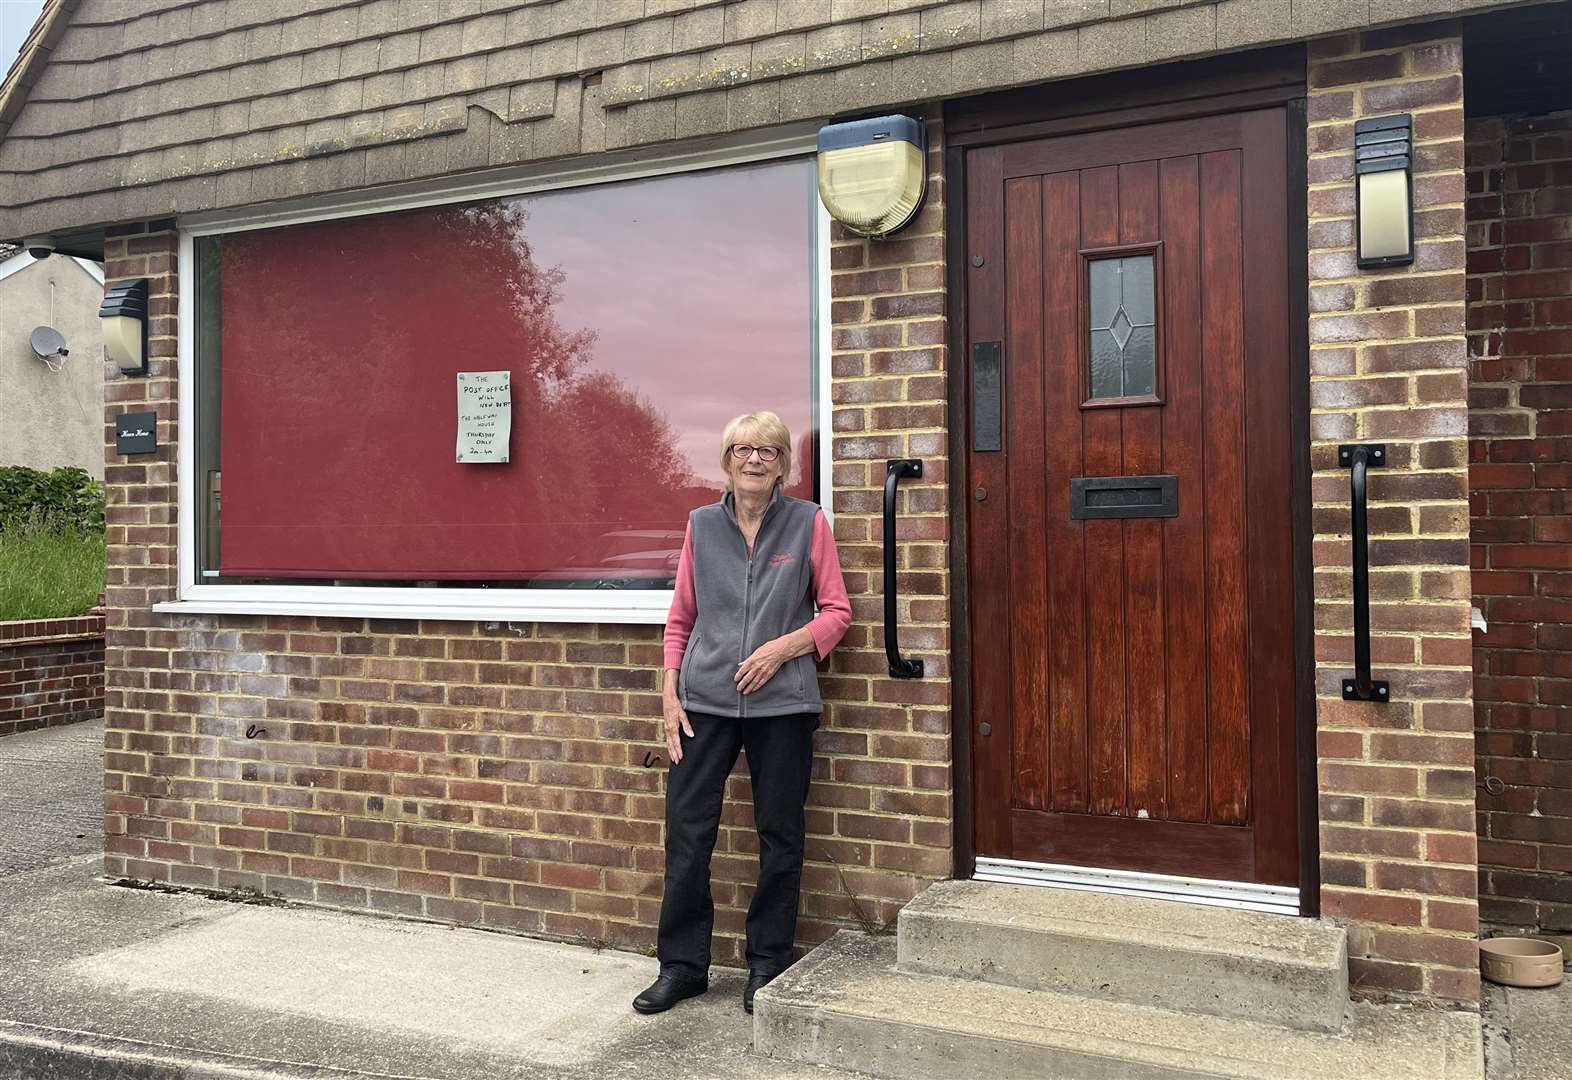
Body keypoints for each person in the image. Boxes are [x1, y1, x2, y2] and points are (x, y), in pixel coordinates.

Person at [632, 411, 851, 1016]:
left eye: (769, 451)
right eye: (743, 449)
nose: (755, 460)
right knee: (688, 833)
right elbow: (681, 619)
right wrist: (670, 694)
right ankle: (682, 966)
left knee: (780, 836)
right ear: (727, 460)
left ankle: (767, 963)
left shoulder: (808, 523)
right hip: (703, 702)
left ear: (784, 465)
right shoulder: (701, 526)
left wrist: (784, 648)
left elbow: (836, 612)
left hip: (783, 706)